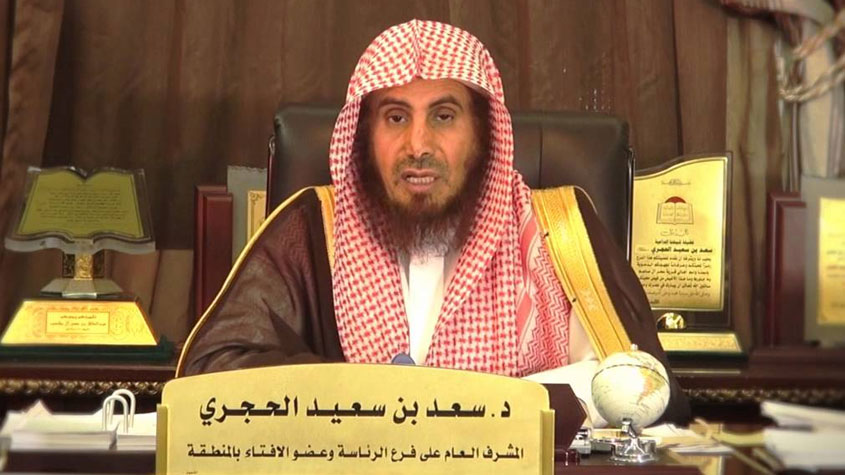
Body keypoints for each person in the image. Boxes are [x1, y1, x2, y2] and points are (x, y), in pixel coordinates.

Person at [177, 20, 690, 425]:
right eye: (395, 117)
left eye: (443, 116)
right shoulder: (313, 228)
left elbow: (640, 388)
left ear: (483, 132)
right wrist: (370, 398)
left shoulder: (561, 231)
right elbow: (210, 376)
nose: (418, 145)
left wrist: (472, 409)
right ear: (364, 136)